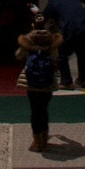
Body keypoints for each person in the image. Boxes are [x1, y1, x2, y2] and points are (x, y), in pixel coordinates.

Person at [17, 16, 61, 153]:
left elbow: (19, 56)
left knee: (35, 111)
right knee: (44, 110)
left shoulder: (28, 40)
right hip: (47, 82)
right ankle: (44, 138)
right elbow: (55, 57)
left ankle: (37, 142)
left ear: (33, 25)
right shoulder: (52, 41)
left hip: (32, 82)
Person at [41, 0, 85, 90]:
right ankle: (83, 79)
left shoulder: (53, 0)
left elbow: (44, 17)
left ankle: (66, 82)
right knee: (82, 53)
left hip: (73, 28)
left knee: (62, 54)